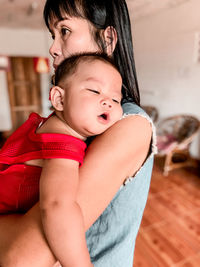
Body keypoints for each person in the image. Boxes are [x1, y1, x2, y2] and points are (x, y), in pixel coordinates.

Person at [0, 0, 156, 266]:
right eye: (53, 34)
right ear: (58, 98)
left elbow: (21, 258)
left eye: (65, 30)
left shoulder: (129, 124)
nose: (52, 47)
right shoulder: (75, 121)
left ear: (107, 38)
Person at [0, 53, 123, 267]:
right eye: (95, 90)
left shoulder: (50, 125)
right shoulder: (63, 144)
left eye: (116, 99)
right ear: (59, 99)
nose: (108, 102)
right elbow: (58, 206)